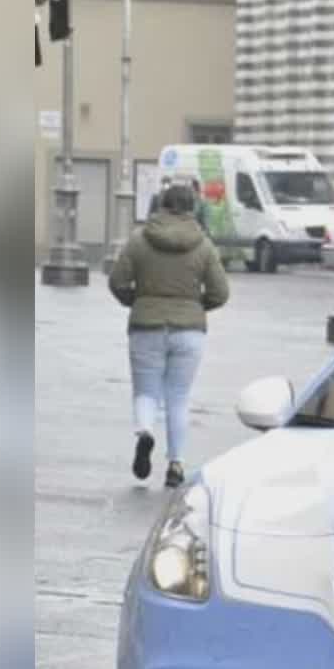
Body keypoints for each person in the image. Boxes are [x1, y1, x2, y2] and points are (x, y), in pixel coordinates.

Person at [108, 184, 230, 488]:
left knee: (146, 392)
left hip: (145, 326)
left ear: (161, 205)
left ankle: (145, 431)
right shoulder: (203, 245)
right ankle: (175, 464)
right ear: (191, 207)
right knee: (178, 397)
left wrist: (135, 300)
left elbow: (117, 281)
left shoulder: (139, 241)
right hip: (189, 331)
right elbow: (220, 292)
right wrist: (197, 307)